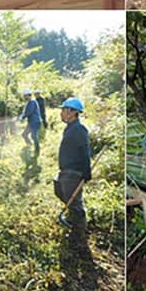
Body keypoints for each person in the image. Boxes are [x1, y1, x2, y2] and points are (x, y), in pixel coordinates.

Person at [55, 97, 91, 231]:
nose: (61, 113)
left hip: (73, 172)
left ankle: (80, 230)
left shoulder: (79, 130)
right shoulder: (70, 128)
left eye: (63, 110)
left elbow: (85, 151)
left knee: (75, 202)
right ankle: (73, 217)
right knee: (59, 189)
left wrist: (86, 172)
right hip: (65, 170)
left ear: (72, 112)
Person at [18, 89, 42, 156]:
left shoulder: (32, 102)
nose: (24, 97)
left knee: (33, 135)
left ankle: (37, 150)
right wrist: (21, 116)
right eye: (24, 96)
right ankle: (30, 145)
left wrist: (22, 117)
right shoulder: (29, 102)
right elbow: (25, 112)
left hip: (35, 122)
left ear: (29, 95)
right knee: (24, 134)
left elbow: (29, 112)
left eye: (25, 96)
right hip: (31, 122)